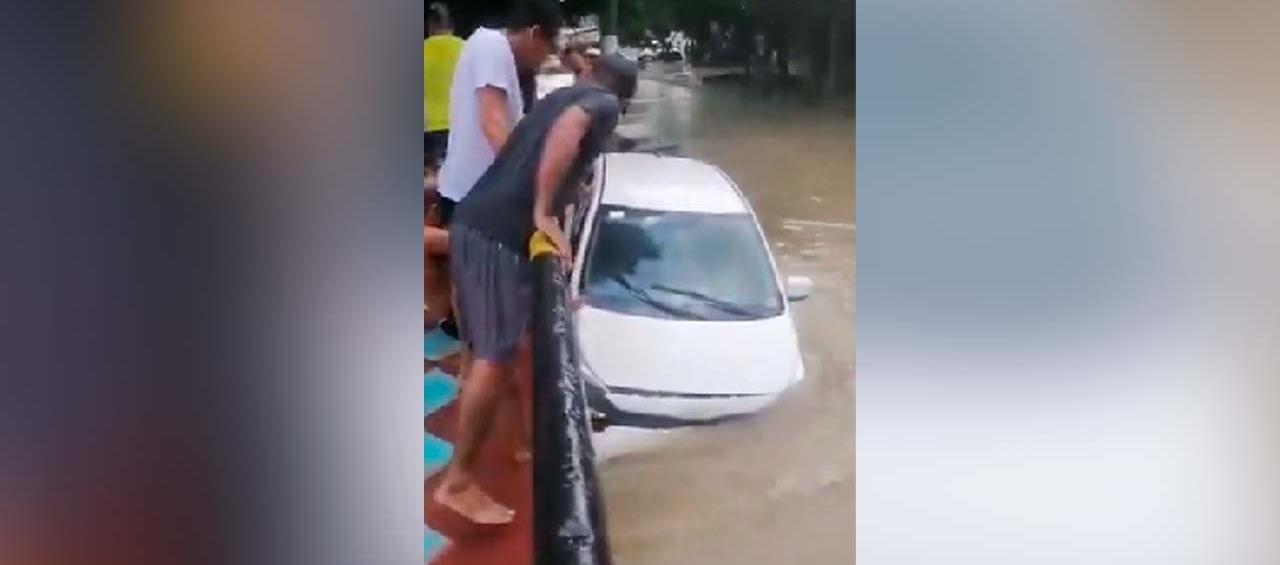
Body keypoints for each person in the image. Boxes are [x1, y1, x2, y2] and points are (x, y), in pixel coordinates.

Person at [433, 55, 638, 525]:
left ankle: (519, 444)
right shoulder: (598, 104)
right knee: (495, 355)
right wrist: (544, 210)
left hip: (473, 223)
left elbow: (545, 142)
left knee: (490, 348)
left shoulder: (558, 95)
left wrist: (569, 191)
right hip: (498, 234)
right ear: (622, 98)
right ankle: (458, 482)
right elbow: (571, 129)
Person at [436, 0, 562, 226]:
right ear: (534, 33)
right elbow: (493, 125)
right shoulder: (492, 46)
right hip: (472, 196)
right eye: (549, 48)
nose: (545, 59)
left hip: (475, 193)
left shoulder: (500, 56)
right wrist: (533, 179)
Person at [423, 3, 464, 164]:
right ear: (452, 27)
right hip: (458, 126)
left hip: (427, 129)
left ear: (430, 28)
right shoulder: (466, 48)